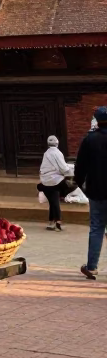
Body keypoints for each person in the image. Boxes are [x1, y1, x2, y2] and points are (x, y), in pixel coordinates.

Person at [76, 106, 107, 281]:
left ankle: (92, 267)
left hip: (96, 191)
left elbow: (80, 167)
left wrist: (82, 186)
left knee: (96, 228)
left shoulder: (90, 140)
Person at [37, 134, 73, 231]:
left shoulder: (46, 153)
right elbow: (63, 168)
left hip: (44, 181)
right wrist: (71, 169)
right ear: (57, 143)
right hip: (55, 181)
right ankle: (58, 222)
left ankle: (51, 222)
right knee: (71, 185)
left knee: (53, 201)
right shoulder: (58, 153)